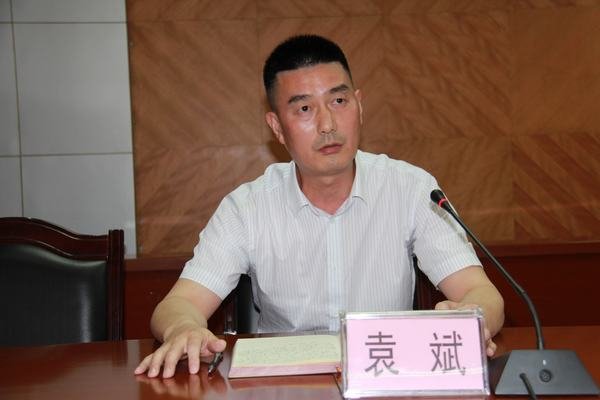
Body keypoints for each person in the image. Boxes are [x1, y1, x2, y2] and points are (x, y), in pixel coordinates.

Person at [135, 34, 504, 379]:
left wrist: (474, 318)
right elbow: (178, 305)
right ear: (277, 127)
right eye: (304, 108)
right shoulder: (247, 208)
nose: (327, 124)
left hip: (384, 378)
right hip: (285, 385)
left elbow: (483, 294)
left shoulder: (411, 189)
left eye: (339, 102)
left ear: (359, 106)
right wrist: (183, 327)